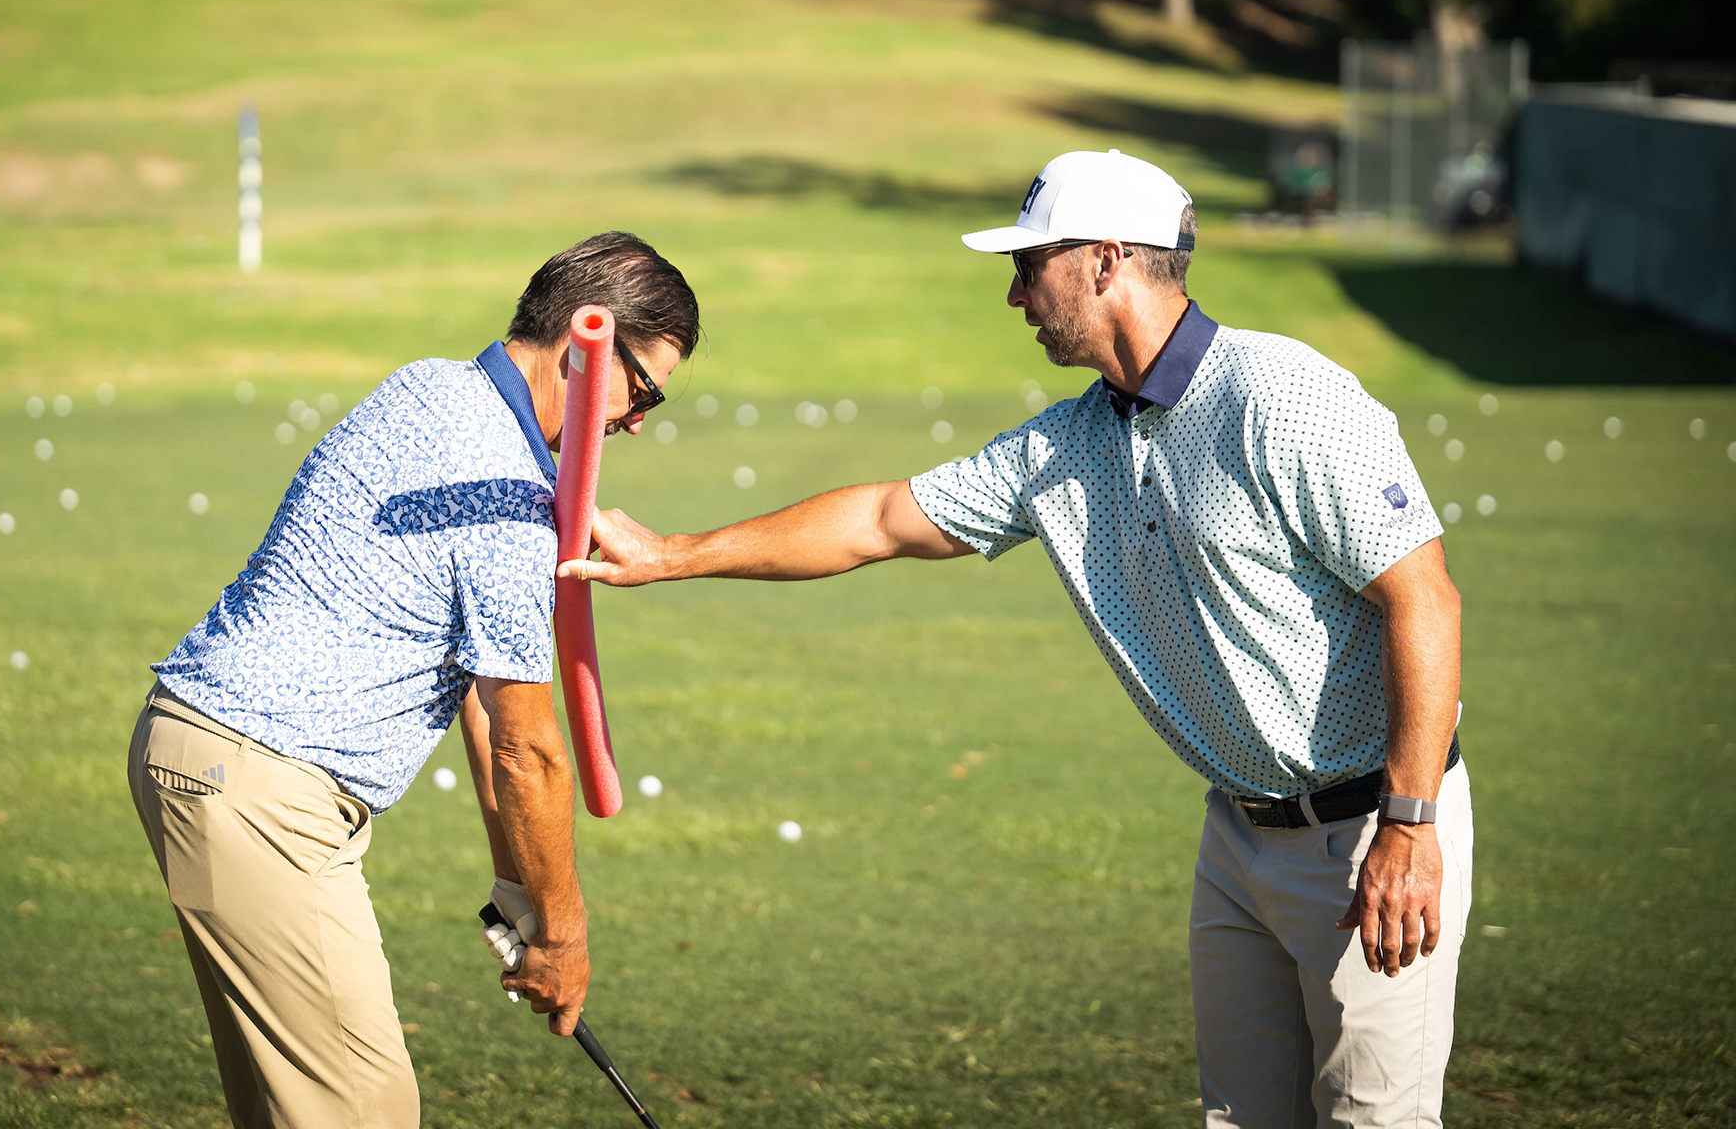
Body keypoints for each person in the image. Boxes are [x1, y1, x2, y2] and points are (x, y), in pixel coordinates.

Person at [565, 152, 1472, 1128]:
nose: (1014, 295)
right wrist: (672, 555)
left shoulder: (1282, 396)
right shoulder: (1070, 443)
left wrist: (1409, 824)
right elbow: (880, 521)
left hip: (1375, 831)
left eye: (1029, 265)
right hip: (1238, 836)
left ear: (1106, 261)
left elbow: (1425, 600)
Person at [127, 231, 698, 1129]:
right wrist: (564, 936)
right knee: (370, 1110)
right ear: (588, 344)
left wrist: (518, 883)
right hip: (265, 794)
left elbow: (481, 699)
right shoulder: (508, 490)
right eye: (646, 391)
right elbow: (529, 751)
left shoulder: (428, 386)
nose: (637, 420)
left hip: (198, 753)